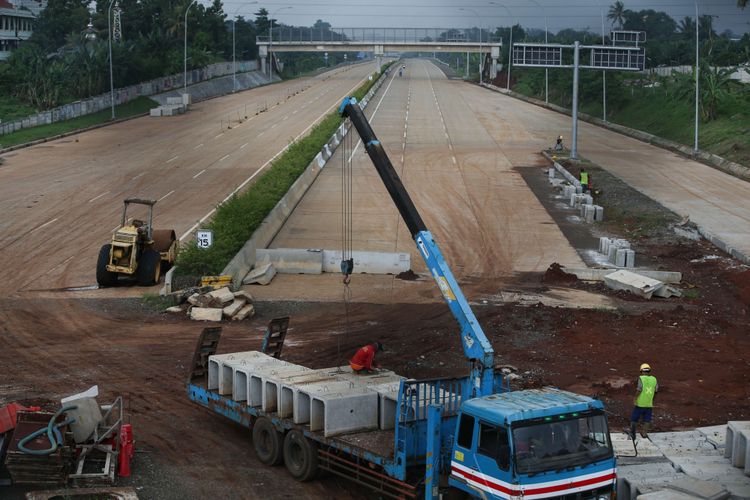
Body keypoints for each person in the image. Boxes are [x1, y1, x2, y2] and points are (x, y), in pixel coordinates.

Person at [630, 363, 658, 439]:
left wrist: (635, 398)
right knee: (647, 419)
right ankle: (644, 434)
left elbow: (639, 389)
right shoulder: (654, 379)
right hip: (649, 404)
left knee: (634, 418)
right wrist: (652, 400)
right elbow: (656, 391)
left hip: (640, 404)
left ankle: (632, 433)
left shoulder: (641, 378)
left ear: (641, 371)